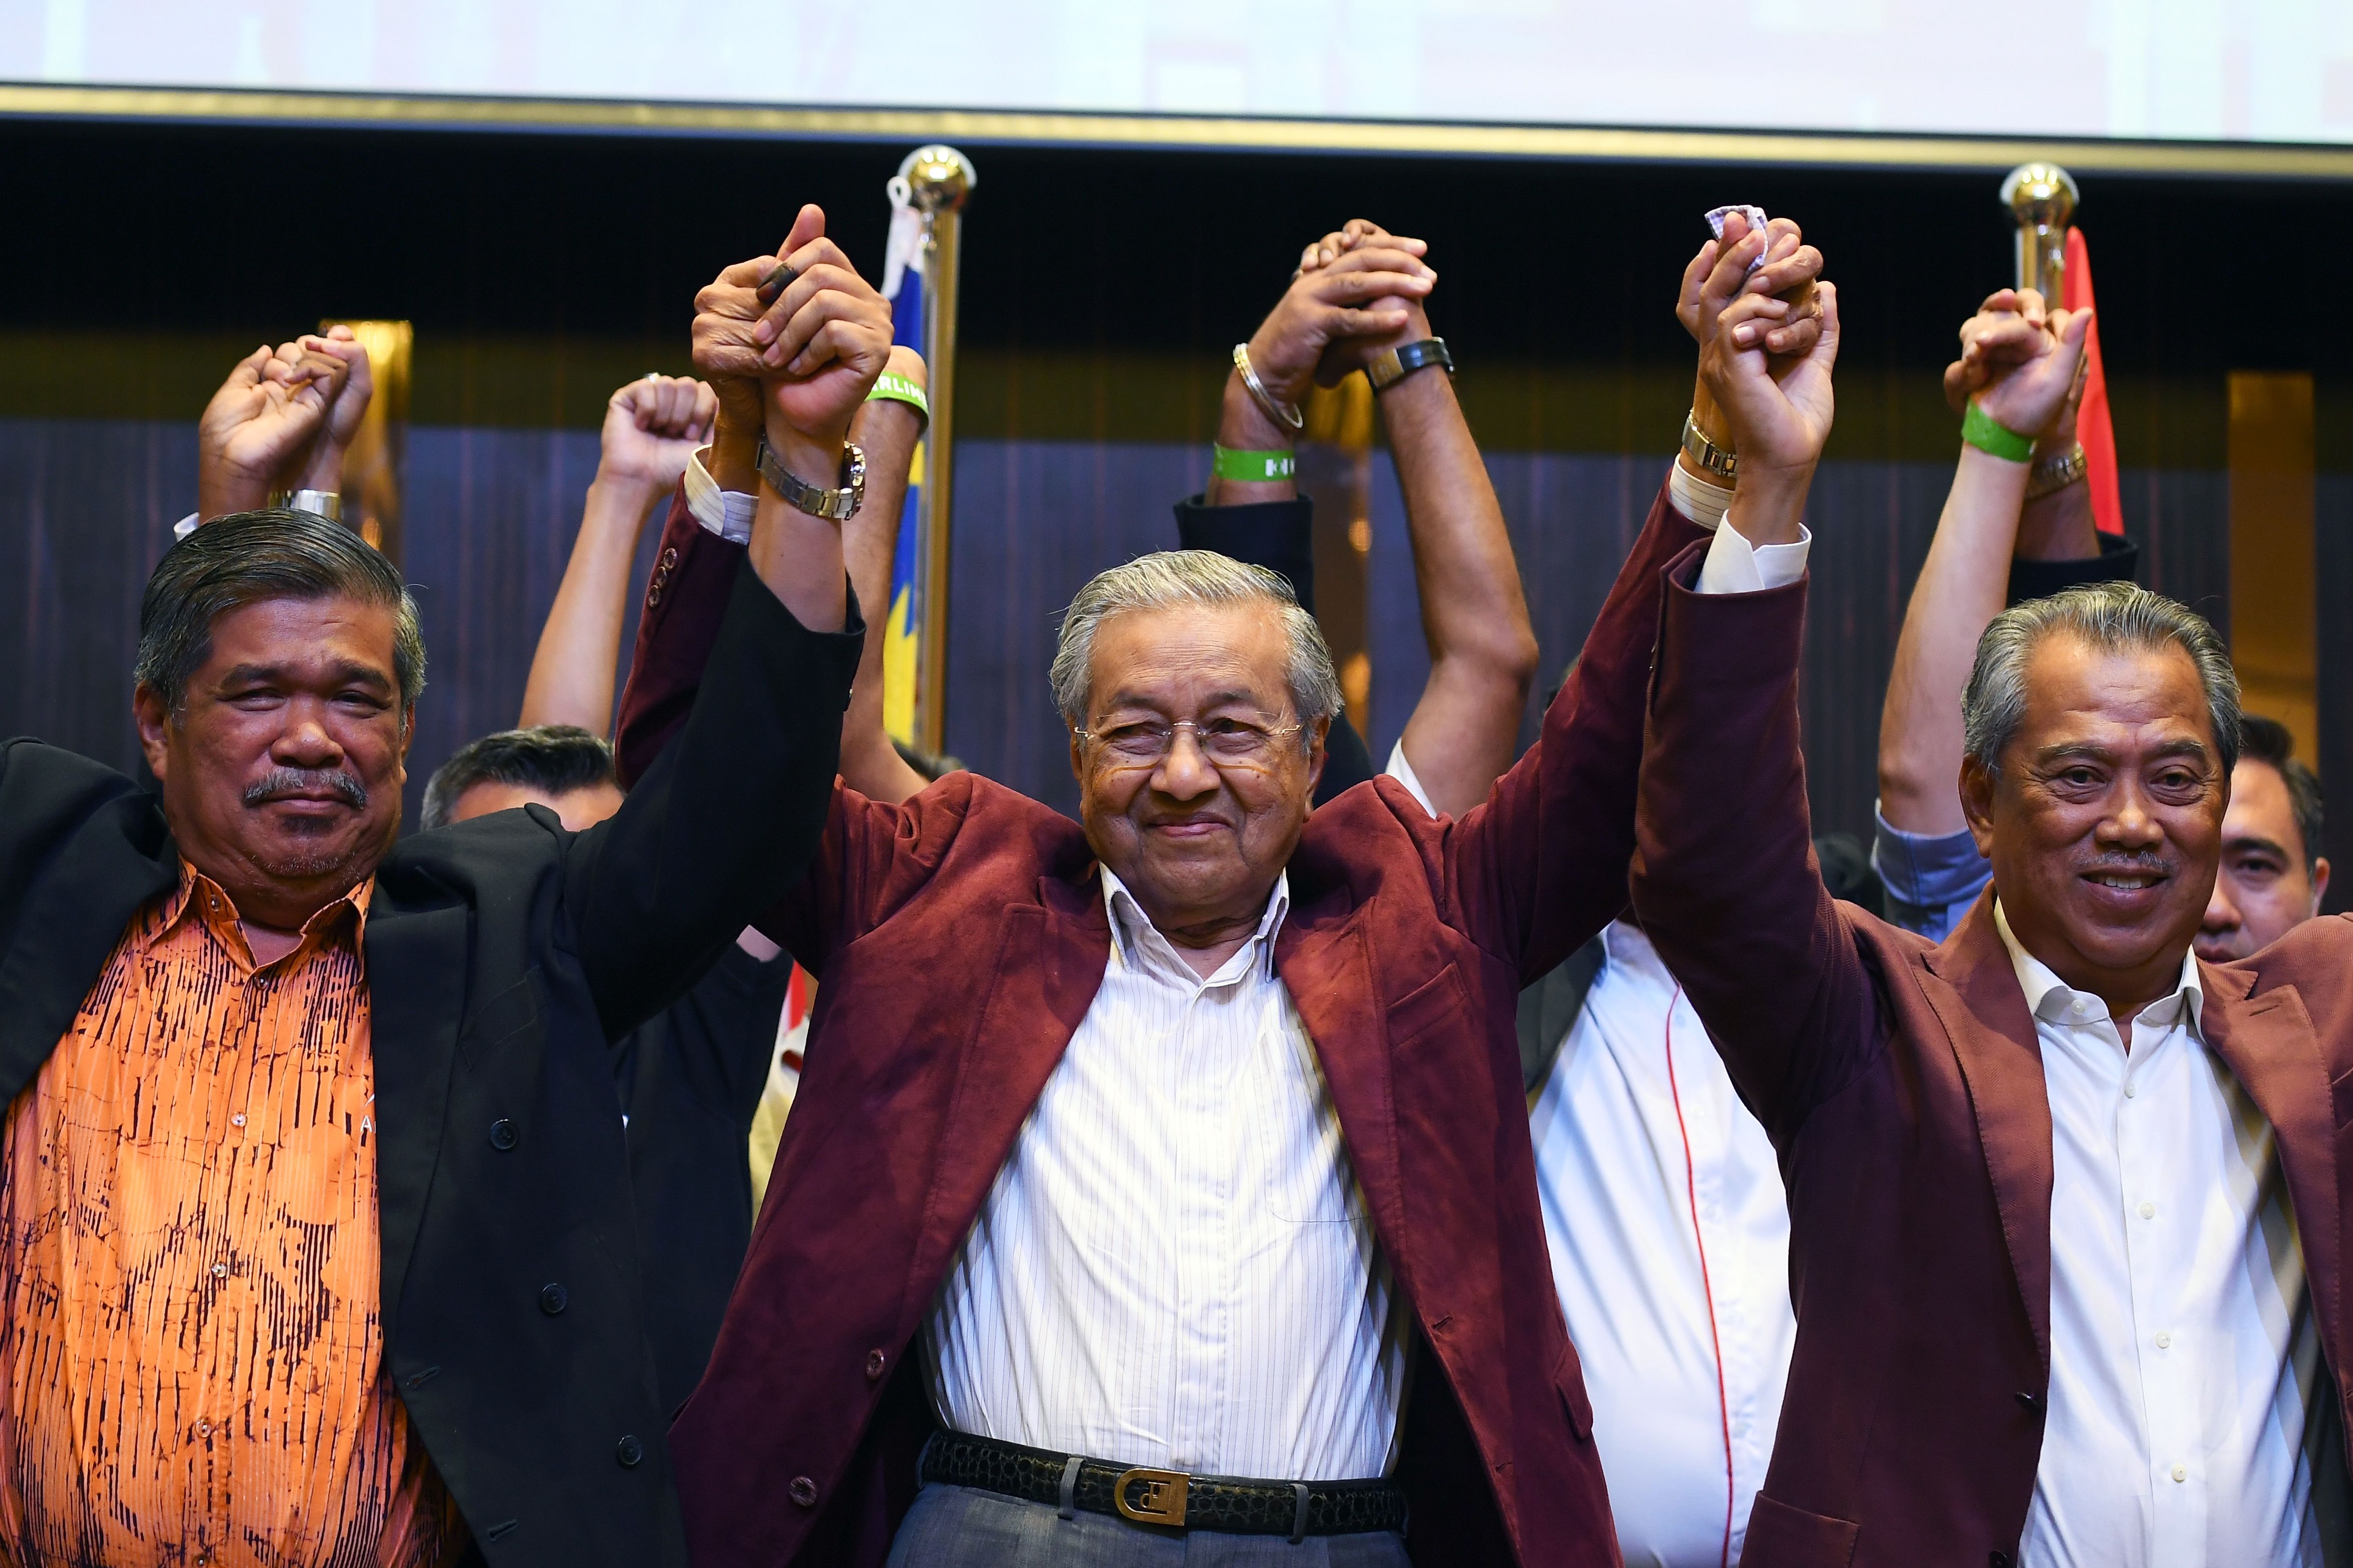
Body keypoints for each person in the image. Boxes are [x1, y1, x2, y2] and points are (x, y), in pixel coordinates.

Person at [609, 210, 1828, 1568]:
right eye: (1136, 730)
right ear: (1075, 750)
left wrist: (1722, 453)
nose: (1183, 775)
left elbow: (1605, 746)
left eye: (1235, 731)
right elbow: (697, 807)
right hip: (1001, 1534)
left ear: (1317, 756)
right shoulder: (939, 885)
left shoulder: (1421, 907)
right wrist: (747, 455)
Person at [0, 232, 879, 1564]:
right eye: (255, 697)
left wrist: (801, 465)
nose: (312, 737)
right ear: (155, 723)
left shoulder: (498, 942)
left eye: (357, 699)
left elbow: (738, 805)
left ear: (408, 740)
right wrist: (241, 510)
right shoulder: (39, 861)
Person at [1630, 232, 2353, 1564]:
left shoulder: (2320, 1010)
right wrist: (1769, 481)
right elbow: (1709, 865)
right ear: (1982, 803)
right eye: (2077, 775)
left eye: (2178, 776)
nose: (2134, 823)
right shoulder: (1880, 1035)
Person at [419, 361, 927, 1418]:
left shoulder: (686, 1005)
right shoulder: (431, 1026)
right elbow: (537, 809)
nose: (550, 886)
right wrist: (620, 493)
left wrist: (860, 450)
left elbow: (795, 743)